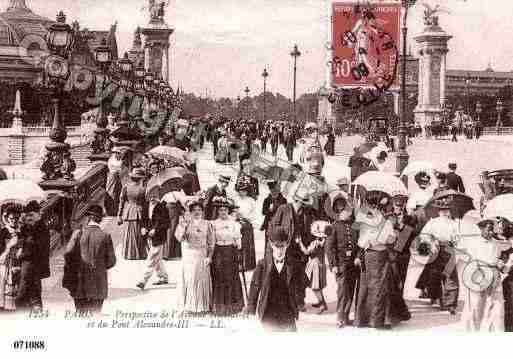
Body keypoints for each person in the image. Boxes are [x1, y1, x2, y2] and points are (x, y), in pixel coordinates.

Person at [354, 192, 397, 329]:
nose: (377, 209)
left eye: (378, 207)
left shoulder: (384, 221)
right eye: (376, 206)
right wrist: (377, 238)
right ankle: (372, 320)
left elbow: (390, 239)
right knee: (374, 287)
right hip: (373, 255)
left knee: (376, 287)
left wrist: (389, 236)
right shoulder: (367, 220)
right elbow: (363, 240)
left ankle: (372, 319)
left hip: (379, 255)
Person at [459, 218, 511, 331]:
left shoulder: (496, 243)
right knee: (475, 306)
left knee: (496, 306)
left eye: (492, 230)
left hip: (494, 277)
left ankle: (494, 331)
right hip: (478, 277)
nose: (491, 232)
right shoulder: (474, 243)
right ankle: (472, 331)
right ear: (481, 229)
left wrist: (501, 265)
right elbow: (470, 260)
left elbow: (498, 259)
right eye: (488, 230)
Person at [63, 205, 116, 314]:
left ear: (89, 218)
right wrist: (99, 266)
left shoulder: (78, 233)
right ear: (100, 219)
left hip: (79, 283)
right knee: (95, 316)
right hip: (98, 284)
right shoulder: (105, 236)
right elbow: (111, 261)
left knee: (80, 315)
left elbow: (68, 253)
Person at [246, 227, 300, 331]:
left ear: (287, 245)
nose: (280, 250)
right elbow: (255, 286)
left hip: (287, 311)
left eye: (282, 246)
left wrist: (298, 301)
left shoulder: (292, 264)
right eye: (277, 246)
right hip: (268, 310)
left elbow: (299, 284)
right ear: (271, 245)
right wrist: (251, 307)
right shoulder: (262, 264)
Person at [417, 195, 459, 314]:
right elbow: (424, 234)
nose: (445, 212)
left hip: (449, 249)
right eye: (442, 210)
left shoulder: (453, 223)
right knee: (434, 274)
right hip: (436, 249)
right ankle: (435, 296)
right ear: (438, 211)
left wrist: (455, 240)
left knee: (450, 276)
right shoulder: (433, 222)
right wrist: (431, 242)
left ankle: (450, 303)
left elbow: (458, 236)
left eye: (447, 209)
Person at [175, 199, 214, 314]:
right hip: (189, 256)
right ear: (190, 212)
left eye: (199, 210)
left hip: (202, 255)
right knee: (190, 279)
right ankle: (189, 307)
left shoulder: (207, 224)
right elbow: (178, 238)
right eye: (194, 210)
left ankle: (203, 307)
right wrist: (183, 226)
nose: (197, 212)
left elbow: (211, 243)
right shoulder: (185, 223)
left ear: (202, 211)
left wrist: (209, 257)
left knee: (202, 280)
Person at [326, 192, 359, 327]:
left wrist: (357, 257)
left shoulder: (353, 226)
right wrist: (333, 264)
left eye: (347, 209)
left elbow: (358, 244)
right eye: (344, 210)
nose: (347, 212)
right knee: (342, 292)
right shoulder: (332, 227)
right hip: (341, 264)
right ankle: (340, 317)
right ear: (338, 211)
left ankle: (345, 316)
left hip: (352, 264)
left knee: (350, 291)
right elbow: (329, 248)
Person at [211, 197, 244, 315]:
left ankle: (233, 306)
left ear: (228, 211)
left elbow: (238, 241)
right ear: (217, 211)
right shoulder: (213, 224)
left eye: (225, 210)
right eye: (221, 210)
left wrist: (238, 249)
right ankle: (220, 306)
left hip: (230, 252)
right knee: (220, 277)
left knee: (231, 277)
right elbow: (212, 241)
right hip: (218, 252)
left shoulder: (234, 224)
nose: (223, 212)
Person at [16, 201, 50, 312]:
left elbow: (34, 250)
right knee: (34, 294)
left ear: (38, 214)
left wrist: (20, 254)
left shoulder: (41, 228)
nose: (28, 217)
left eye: (31, 215)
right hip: (33, 269)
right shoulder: (32, 227)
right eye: (27, 215)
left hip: (33, 267)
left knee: (23, 296)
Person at [136, 196, 170, 290]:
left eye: (155, 196)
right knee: (157, 258)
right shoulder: (145, 206)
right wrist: (143, 228)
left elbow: (167, 223)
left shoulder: (162, 207)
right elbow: (143, 220)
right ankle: (163, 277)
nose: (153, 198)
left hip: (159, 236)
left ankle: (143, 280)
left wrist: (156, 230)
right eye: (151, 196)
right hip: (148, 236)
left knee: (152, 257)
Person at [0, 204, 30, 312]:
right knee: (4, 285)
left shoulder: (21, 232)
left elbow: (25, 247)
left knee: (17, 287)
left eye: (16, 218)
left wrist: (20, 248)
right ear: (7, 218)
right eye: (11, 218)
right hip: (5, 264)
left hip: (17, 263)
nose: (14, 221)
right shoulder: (3, 232)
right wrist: (10, 246)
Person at [297, 221, 330, 314]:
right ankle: (321, 302)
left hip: (315, 266)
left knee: (315, 287)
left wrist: (300, 242)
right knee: (317, 286)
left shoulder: (315, 242)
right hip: (320, 264)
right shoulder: (324, 241)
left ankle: (322, 304)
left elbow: (306, 252)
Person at [117, 167, 148, 260]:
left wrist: (119, 215)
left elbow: (121, 202)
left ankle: (129, 253)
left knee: (129, 233)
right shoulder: (143, 189)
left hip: (129, 210)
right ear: (140, 178)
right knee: (138, 232)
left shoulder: (126, 187)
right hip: (139, 211)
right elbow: (145, 204)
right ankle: (139, 253)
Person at [161, 178, 189, 260]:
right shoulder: (177, 193)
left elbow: (162, 202)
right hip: (173, 212)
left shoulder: (165, 193)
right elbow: (184, 203)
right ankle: (172, 253)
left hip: (166, 212)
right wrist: (186, 209)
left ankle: (166, 252)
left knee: (168, 230)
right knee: (174, 230)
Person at [234, 177, 257, 272]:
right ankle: (239, 264)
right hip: (237, 223)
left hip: (247, 223)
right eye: (240, 190)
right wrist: (236, 216)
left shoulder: (251, 201)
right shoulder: (235, 200)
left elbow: (254, 214)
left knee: (247, 244)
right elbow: (232, 212)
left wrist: (245, 217)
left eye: (244, 190)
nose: (242, 192)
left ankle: (248, 264)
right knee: (239, 244)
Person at [261, 181, 287, 252]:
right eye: (272, 190)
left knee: (279, 244)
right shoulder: (267, 200)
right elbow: (263, 212)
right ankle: (268, 261)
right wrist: (269, 210)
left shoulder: (283, 200)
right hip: (269, 224)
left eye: (278, 188)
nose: (279, 188)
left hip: (280, 225)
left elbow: (285, 213)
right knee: (269, 243)